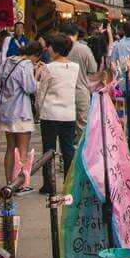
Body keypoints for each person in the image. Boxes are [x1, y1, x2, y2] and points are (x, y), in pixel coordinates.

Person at [36, 34, 80, 193]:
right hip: (68, 113)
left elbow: (41, 92)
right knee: (68, 150)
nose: (48, 49)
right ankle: (69, 184)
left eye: (50, 47)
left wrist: (38, 109)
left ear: (56, 49)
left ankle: (49, 185)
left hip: (50, 113)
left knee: (48, 150)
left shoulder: (49, 68)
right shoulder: (75, 67)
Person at [0, 41, 41, 196]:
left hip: (6, 110)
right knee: (22, 149)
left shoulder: (8, 61)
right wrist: (36, 74)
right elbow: (30, 88)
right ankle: (19, 184)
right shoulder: (26, 65)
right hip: (21, 111)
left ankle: (9, 182)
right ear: (35, 55)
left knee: (10, 148)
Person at [65, 23, 100, 138]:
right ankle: (82, 149)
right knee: (83, 127)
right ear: (76, 33)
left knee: (66, 128)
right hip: (81, 91)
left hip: (64, 91)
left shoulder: (59, 48)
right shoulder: (84, 49)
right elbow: (93, 69)